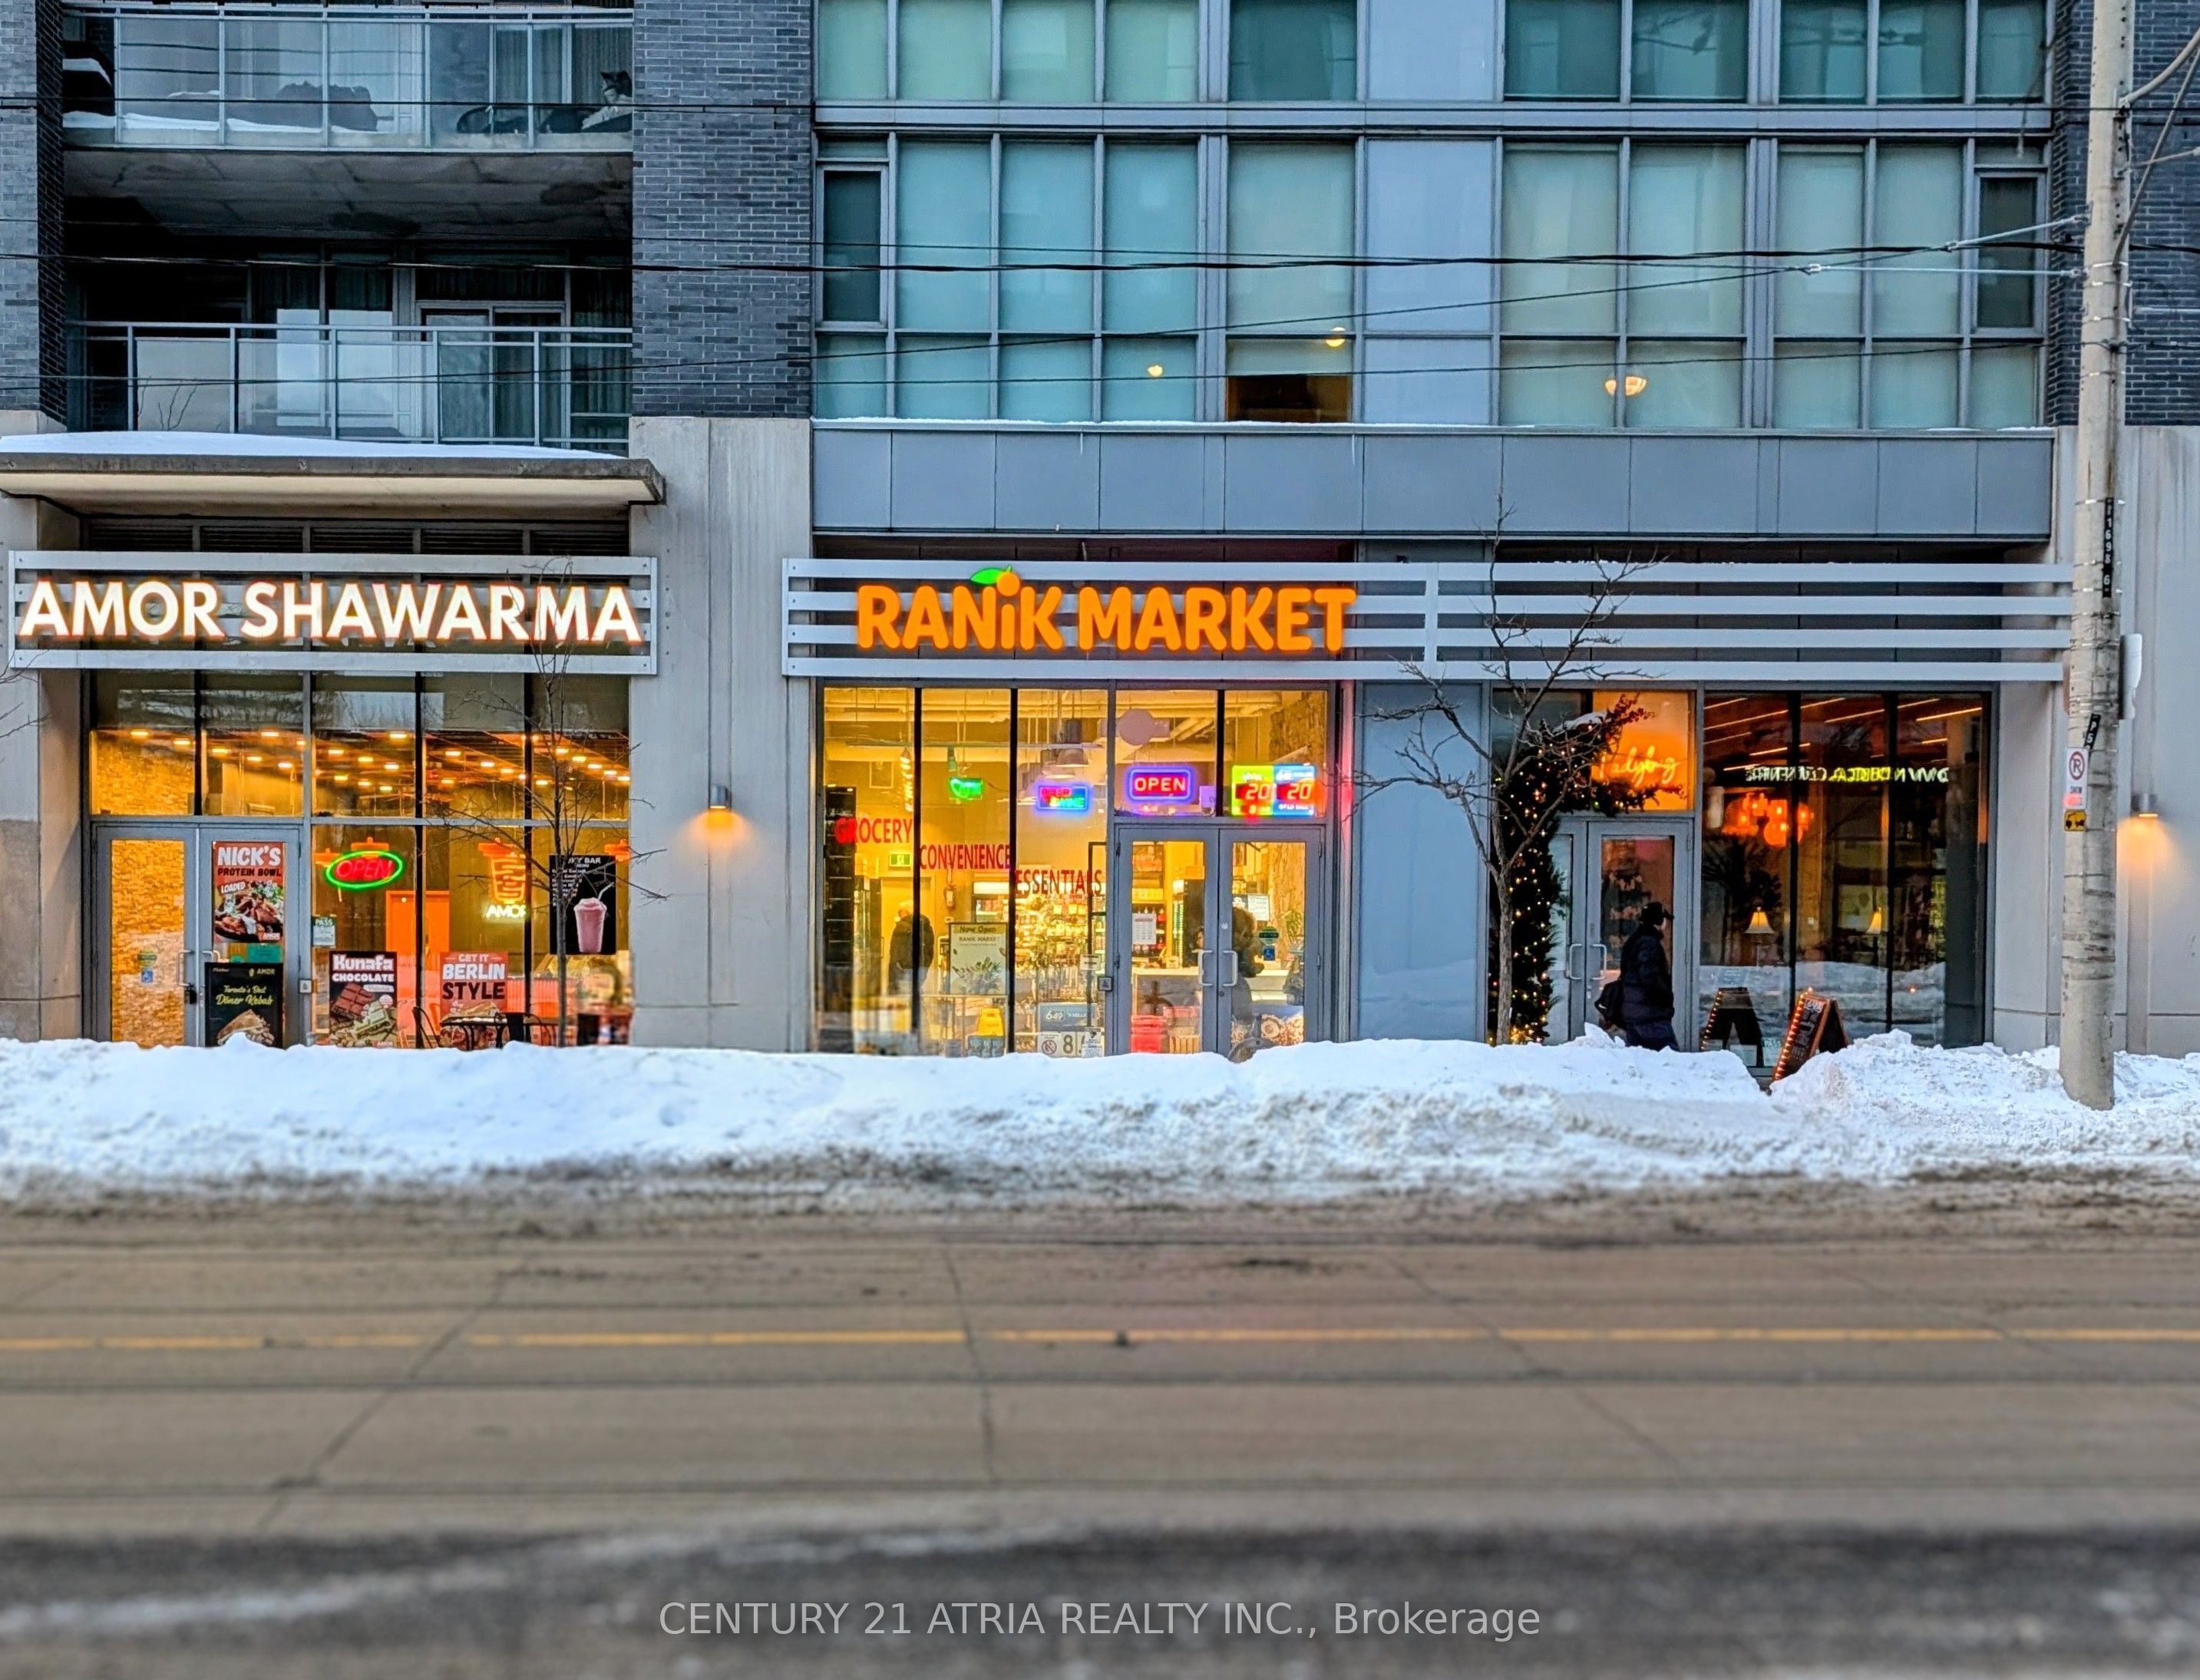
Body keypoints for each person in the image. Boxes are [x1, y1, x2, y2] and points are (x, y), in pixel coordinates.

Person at [1618, 901, 1679, 1051]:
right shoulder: (1649, 943)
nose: (1666, 924)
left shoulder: (1634, 941)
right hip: (1650, 1013)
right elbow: (1650, 977)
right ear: (1659, 921)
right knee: (1669, 1057)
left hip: (1634, 1010)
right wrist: (1666, 998)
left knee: (1641, 1058)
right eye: (1664, 920)